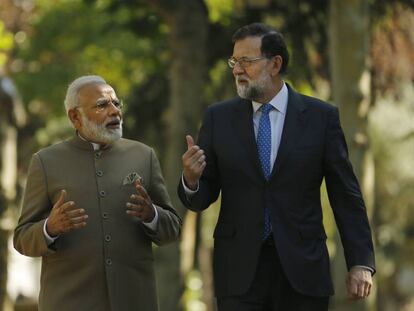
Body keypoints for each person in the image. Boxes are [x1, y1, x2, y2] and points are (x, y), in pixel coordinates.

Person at [178, 23, 375, 310]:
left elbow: (346, 195)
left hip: (303, 271)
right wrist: (191, 180)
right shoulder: (218, 118)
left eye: (246, 61)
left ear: (275, 64)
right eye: (234, 61)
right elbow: (201, 197)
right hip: (238, 273)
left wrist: (360, 262)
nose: (236, 70)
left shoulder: (322, 118)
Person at [14, 75, 182, 311]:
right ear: (75, 116)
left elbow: (172, 229)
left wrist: (151, 215)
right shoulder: (45, 162)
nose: (115, 111)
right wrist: (49, 228)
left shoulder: (144, 155)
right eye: (102, 105)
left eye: (116, 103)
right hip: (68, 303)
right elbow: (22, 239)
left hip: (134, 301)